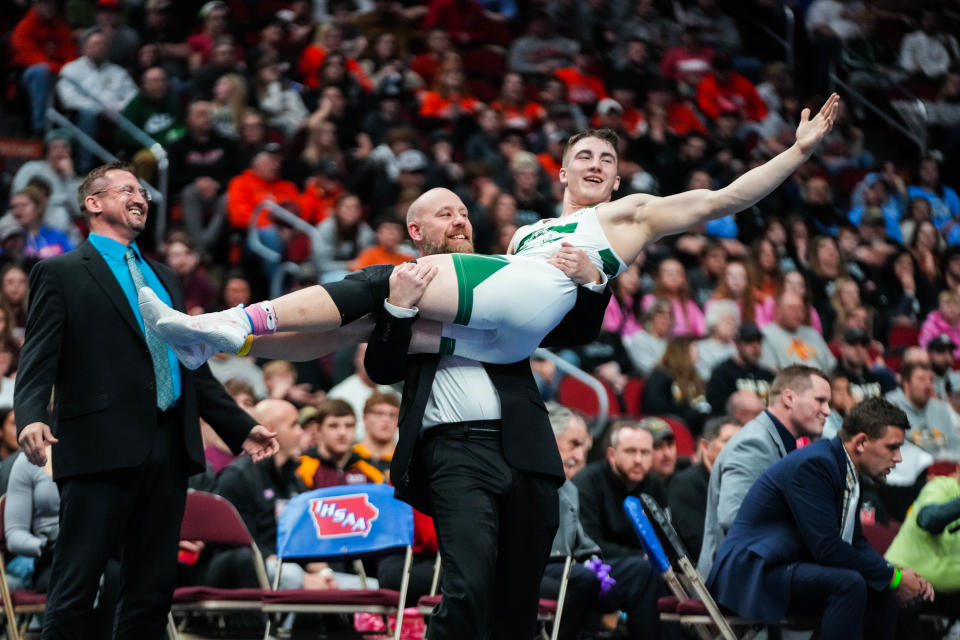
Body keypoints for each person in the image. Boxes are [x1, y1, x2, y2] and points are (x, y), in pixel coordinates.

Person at [140, 95, 842, 371]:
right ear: (561, 169)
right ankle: (231, 348)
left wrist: (798, 150)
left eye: (608, 160)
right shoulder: (530, 231)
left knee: (386, 279)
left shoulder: (631, 215)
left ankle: (231, 319)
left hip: (530, 313)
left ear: (619, 181)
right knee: (367, 324)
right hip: (503, 334)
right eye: (585, 157)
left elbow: (725, 198)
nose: (597, 164)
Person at [13, 161, 277, 640]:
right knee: (76, 585)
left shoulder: (164, 278)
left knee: (152, 591)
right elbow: (38, 358)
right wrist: (30, 416)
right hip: (98, 447)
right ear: (93, 203)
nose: (141, 198)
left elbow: (190, 365)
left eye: (143, 193)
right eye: (127, 190)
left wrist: (240, 426)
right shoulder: (60, 272)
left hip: (168, 448)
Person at [706, 398, 934, 640]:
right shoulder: (816, 464)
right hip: (754, 572)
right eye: (892, 447)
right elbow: (827, 548)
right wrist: (894, 578)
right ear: (861, 442)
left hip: (787, 566)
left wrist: (893, 575)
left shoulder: (845, 468)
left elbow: (855, 543)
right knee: (849, 583)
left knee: (880, 591)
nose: (898, 458)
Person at [541, 408, 666, 640]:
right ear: (547, 438)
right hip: (538, 568)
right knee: (584, 579)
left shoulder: (568, 486)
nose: (579, 457)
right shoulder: (532, 478)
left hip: (576, 564)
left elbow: (585, 544)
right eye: (573, 444)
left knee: (645, 572)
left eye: (584, 448)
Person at [699, 365, 831, 577]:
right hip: (735, 579)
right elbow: (733, 516)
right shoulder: (755, 443)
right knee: (848, 585)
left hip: (759, 571)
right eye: (820, 400)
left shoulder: (776, 441)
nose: (827, 411)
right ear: (789, 398)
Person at [668, 416, 742, 563]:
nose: (737, 447)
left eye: (742, 442)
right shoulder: (685, 484)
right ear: (705, 446)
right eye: (727, 441)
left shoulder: (743, 482)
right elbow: (699, 546)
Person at [706, 322, 775, 414]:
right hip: (734, 423)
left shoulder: (767, 374)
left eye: (758, 341)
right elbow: (717, 406)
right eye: (749, 341)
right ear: (737, 344)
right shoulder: (722, 373)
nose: (755, 346)